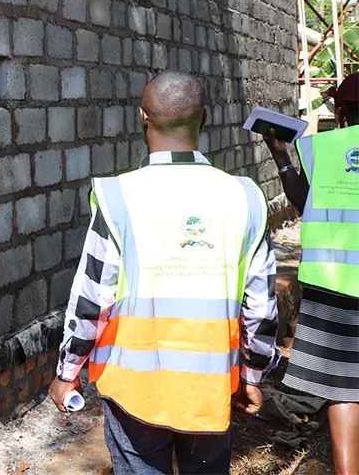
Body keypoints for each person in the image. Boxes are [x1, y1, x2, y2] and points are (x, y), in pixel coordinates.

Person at [49, 71, 279, 474]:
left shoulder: (118, 195)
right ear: (203, 120)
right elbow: (260, 305)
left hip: (136, 389)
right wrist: (253, 375)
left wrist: (68, 372)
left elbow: (92, 296)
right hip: (210, 386)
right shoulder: (245, 196)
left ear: (143, 117)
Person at [264, 73, 359, 475]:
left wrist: (281, 154)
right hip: (335, 283)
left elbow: (303, 201)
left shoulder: (320, 148)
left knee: (344, 389)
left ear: (339, 111)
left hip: (334, 283)